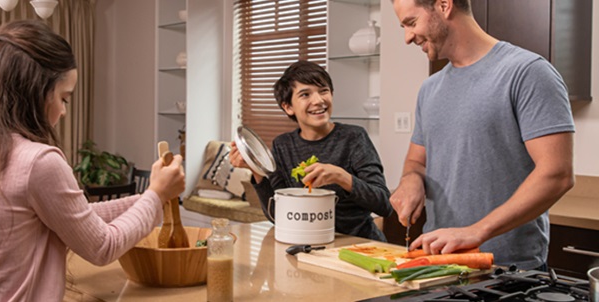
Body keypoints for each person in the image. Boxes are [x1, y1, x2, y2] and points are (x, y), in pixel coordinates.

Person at [0, 20, 186, 301]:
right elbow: (102, 246)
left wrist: (151, 196)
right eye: (64, 98)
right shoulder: (38, 162)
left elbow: (77, 218)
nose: (63, 112)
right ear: (35, 90)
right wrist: (157, 194)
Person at [389, 0, 575, 270]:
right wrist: (410, 181)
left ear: (443, 5)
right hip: (440, 265)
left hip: (507, 271)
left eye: (411, 23)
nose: (407, 37)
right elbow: (417, 162)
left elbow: (557, 174)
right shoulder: (430, 89)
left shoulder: (527, 72)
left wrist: (477, 231)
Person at [229, 60, 393, 242]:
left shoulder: (354, 138)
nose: (318, 100)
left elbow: (384, 204)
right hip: (311, 247)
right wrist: (256, 171)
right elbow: (279, 215)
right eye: (305, 94)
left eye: (323, 91)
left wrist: (341, 177)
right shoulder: (283, 145)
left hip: (359, 245)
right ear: (288, 107)